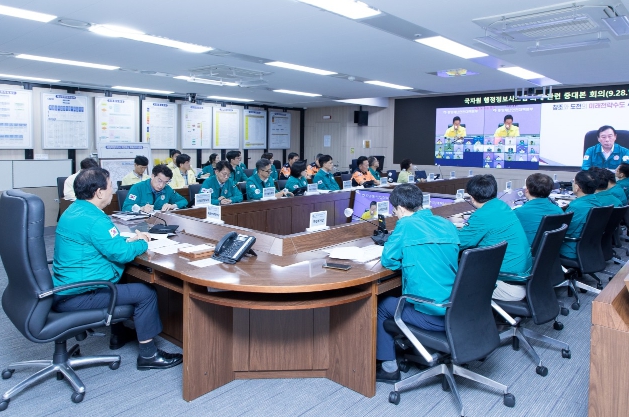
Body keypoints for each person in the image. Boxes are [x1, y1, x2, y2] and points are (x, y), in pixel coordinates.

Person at [53, 168, 183, 370]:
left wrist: (126, 242)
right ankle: (149, 355)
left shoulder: (73, 210)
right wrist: (142, 242)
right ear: (99, 192)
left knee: (122, 278)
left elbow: (104, 243)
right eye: (110, 186)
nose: (113, 191)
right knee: (145, 292)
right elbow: (121, 254)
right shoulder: (96, 219)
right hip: (79, 294)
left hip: (64, 288)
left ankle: (118, 334)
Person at [376, 183, 460, 382]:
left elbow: (388, 260)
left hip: (433, 314)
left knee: (383, 305)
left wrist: (407, 259)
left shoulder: (406, 224)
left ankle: (389, 368)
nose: (396, 215)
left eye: (395, 211)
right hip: (458, 308)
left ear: (401, 209)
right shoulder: (446, 223)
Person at [458, 174, 532, 301]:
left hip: (506, 283)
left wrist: (449, 227)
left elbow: (459, 242)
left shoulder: (482, 215)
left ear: (472, 197)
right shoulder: (502, 206)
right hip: (523, 276)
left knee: (449, 280)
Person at [561, 170, 603, 259]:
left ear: (577, 187)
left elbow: (563, 232)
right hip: (590, 248)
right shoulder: (598, 203)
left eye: (573, 181)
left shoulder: (576, 207)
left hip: (571, 250)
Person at [514, 173, 564, 246]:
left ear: (527, 190)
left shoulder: (518, 213)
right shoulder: (559, 211)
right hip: (551, 249)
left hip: (527, 250)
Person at [122, 164, 188, 212]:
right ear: (152, 176)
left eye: (165, 182)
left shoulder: (167, 189)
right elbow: (126, 207)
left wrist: (172, 206)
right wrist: (141, 208)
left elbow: (184, 201)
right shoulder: (137, 188)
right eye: (159, 181)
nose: (161, 185)